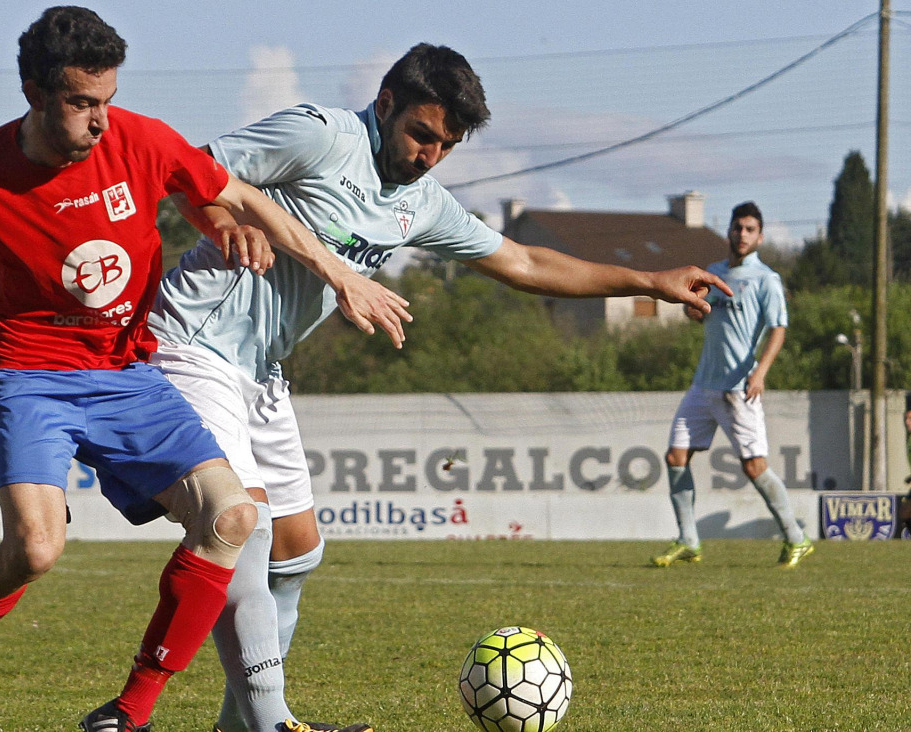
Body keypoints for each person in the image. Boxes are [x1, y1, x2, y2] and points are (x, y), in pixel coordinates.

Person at [0, 8, 409, 732]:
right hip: (28, 378)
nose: (99, 121)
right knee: (33, 549)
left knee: (234, 516)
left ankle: (128, 713)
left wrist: (331, 270)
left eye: (107, 102)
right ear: (33, 91)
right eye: (82, 103)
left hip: (128, 374)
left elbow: (232, 193)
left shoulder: (139, 141)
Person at [146, 43, 732, 732]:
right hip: (191, 342)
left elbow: (523, 260)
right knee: (241, 531)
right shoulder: (320, 135)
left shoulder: (419, 202)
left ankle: (239, 726)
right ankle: (273, 724)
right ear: (386, 104)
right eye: (422, 134)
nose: (429, 155)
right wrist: (227, 222)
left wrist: (647, 283)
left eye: (446, 146)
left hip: (261, 373)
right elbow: (183, 170)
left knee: (297, 552)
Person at [652, 201, 814, 569]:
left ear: (760, 235)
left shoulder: (766, 279)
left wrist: (760, 373)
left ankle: (796, 537)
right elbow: (699, 312)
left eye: (750, 229)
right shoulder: (713, 272)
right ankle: (689, 540)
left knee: (755, 466)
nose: (742, 234)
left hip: (739, 386)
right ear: (728, 230)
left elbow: (778, 329)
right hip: (703, 383)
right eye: (737, 227)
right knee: (676, 456)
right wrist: (691, 309)